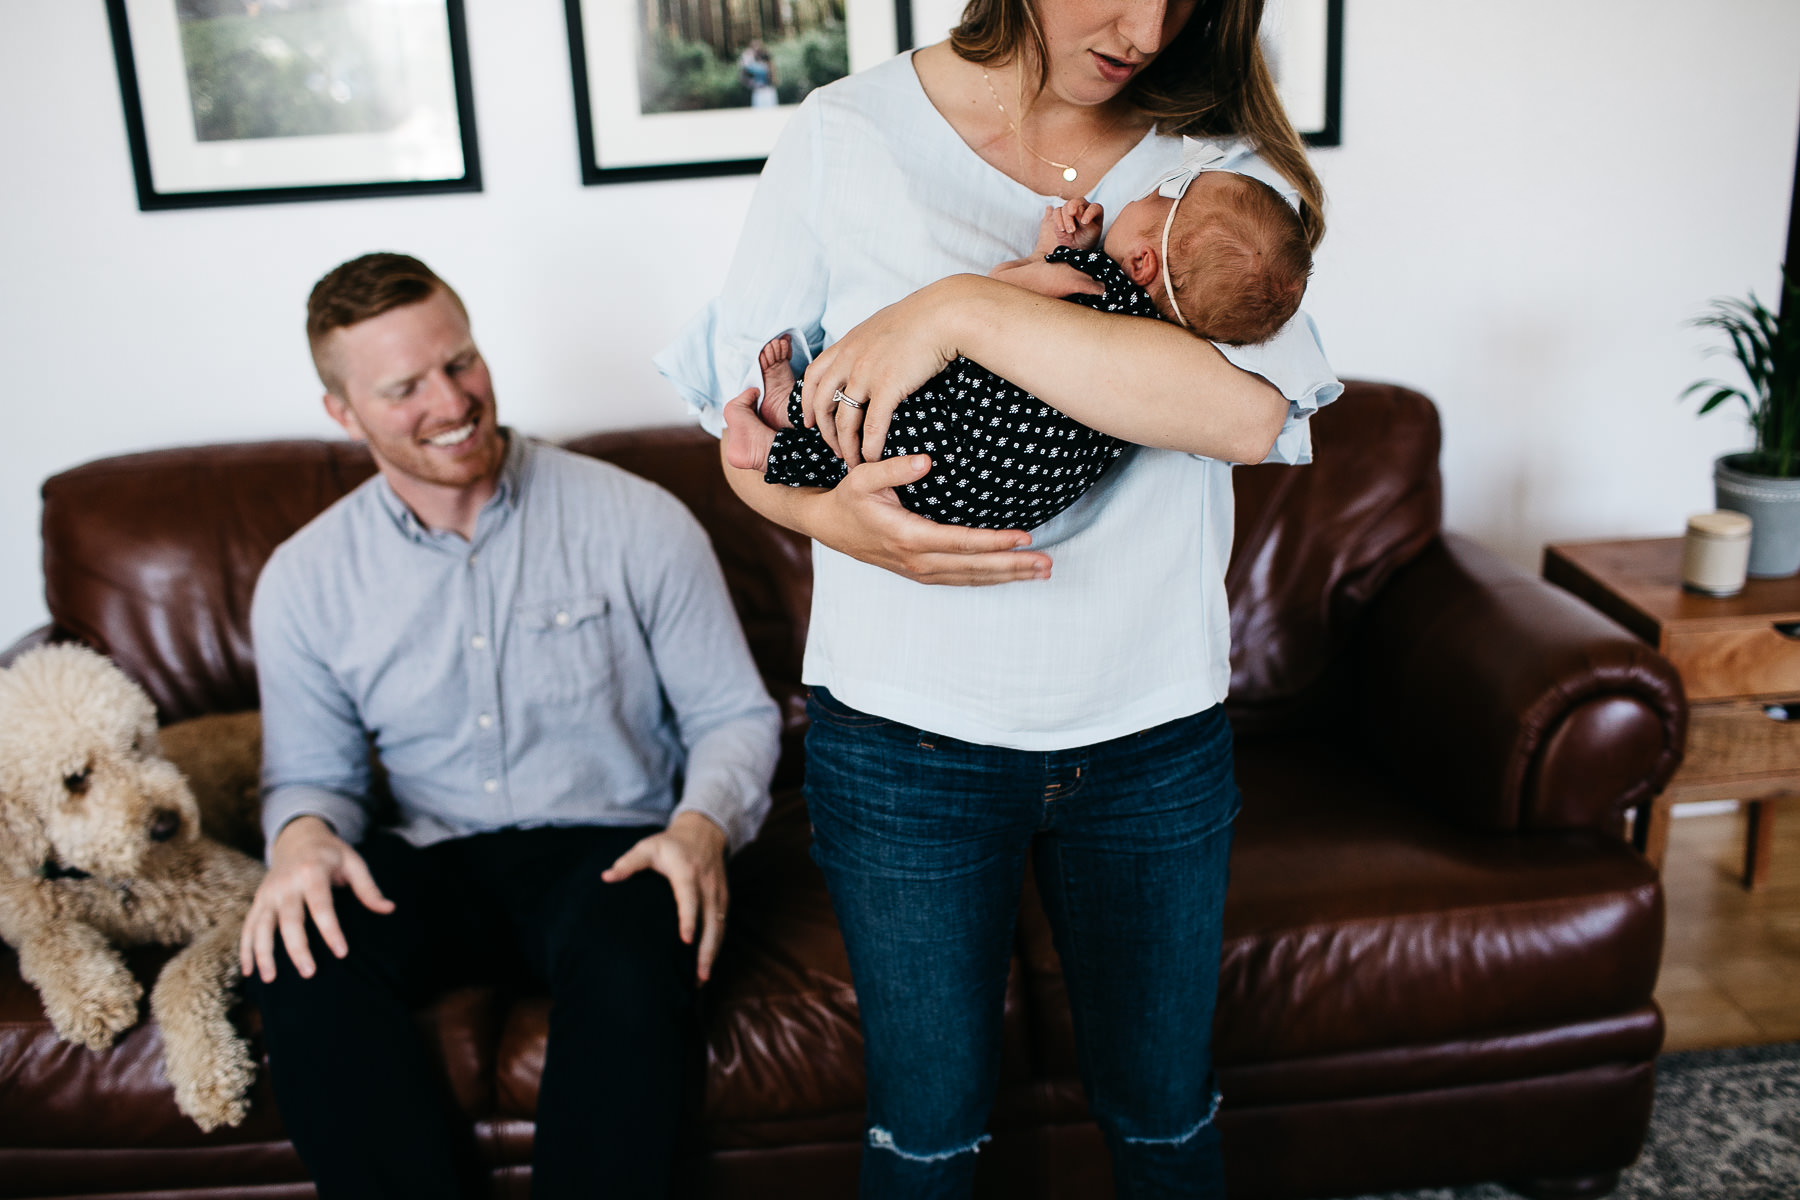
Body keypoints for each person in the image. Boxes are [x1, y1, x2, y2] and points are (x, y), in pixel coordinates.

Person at [657, 0, 1342, 1195]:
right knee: (924, 1135)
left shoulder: (1214, 167)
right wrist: (835, 521)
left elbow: (1245, 416)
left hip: (1149, 733)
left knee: (1166, 1117)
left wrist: (955, 310)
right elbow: (743, 436)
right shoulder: (845, 135)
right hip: (907, 741)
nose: (1148, 29)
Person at [242, 252, 780, 1199]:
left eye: (461, 363)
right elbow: (313, 776)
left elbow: (731, 713)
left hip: (610, 853)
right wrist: (302, 838)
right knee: (298, 953)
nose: (452, 403)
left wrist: (701, 828)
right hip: (432, 855)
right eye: (405, 388)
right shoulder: (303, 578)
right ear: (344, 412)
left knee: (644, 931)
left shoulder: (637, 519)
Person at [722, 161, 1311, 530]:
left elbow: (1005, 289)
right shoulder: (1172, 348)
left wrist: (1043, 259)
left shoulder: (1091, 281)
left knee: (879, 416)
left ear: (1140, 262)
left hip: (962, 445)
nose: (1136, 197)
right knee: (883, 453)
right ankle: (775, 443)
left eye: (1153, 197)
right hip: (1013, 497)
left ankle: (784, 420)